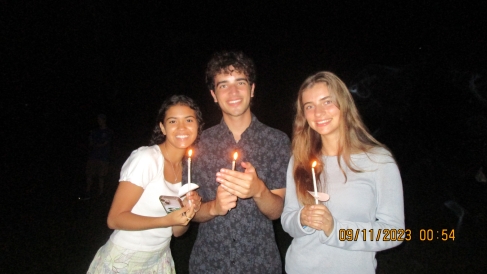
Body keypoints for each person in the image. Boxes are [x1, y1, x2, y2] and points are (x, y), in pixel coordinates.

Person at [281, 71, 405, 273]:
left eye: (327, 102)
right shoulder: (300, 159)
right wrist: (301, 220)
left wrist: (336, 230)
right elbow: (287, 220)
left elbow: (394, 233)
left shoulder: (378, 160)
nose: (318, 113)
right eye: (309, 107)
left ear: (344, 104)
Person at [185, 51, 290, 273]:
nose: (233, 92)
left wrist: (259, 190)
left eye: (240, 82)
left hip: (259, 263)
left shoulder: (277, 141)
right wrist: (214, 207)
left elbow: (277, 211)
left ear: (252, 89)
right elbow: (191, 212)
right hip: (208, 264)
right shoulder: (199, 143)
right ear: (214, 94)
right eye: (223, 85)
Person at [87, 95, 203, 273]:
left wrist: (187, 211)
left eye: (189, 120)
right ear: (163, 128)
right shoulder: (147, 159)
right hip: (125, 259)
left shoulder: (187, 169)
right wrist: (166, 220)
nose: (182, 127)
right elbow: (115, 219)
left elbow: (177, 231)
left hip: (158, 260)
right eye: (173, 121)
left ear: (197, 126)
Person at [84, 114, 113, 198]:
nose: (99, 121)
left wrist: (96, 145)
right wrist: (90, 136)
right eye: (98, 119)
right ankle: (88, 190)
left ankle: (101, 192)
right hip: (93, 156)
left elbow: (105, 143)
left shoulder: (108, 131)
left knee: (101, 176)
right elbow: (90, 143)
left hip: (103, 156)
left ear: (104, 120)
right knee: (89, 174)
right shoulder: (95, 131)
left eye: (100, 119)